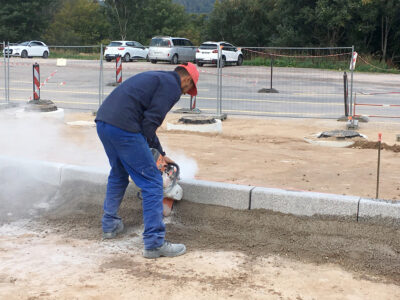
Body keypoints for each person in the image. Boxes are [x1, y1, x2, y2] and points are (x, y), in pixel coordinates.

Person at [95, 62, 199, 258]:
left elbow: (145, 122)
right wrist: (156, 154)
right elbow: (149, 124)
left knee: (118, 173)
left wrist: (160, 152)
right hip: (125, 127)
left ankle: (110, 225)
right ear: (186, 78)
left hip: (104, 123)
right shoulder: (172, 87)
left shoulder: (159, 77)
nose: (185, 93)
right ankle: (154, 243)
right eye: (188, 88)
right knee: (152, 182)